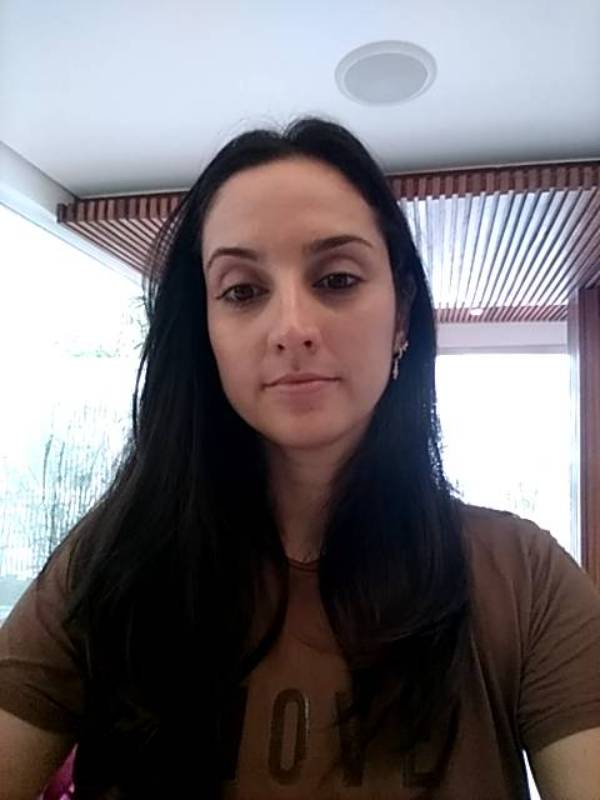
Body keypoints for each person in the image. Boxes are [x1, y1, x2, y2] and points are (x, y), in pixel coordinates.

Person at [1, 117, 600, 800]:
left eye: (337, 279)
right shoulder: (108, 565)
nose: (292, 328)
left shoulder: (525, 579)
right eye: (242, 291)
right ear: (204, 331)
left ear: (402, 311)